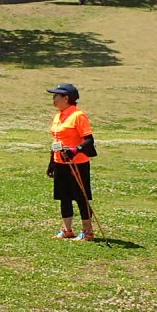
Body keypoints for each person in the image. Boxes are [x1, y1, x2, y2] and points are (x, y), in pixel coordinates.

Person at [47, 83, 97, 242]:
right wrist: (52, 162)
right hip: (60, 162)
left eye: (56, 96)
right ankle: (67, 230)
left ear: (66, 98)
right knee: (64, 197)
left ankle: (87, 232)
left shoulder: (78, 116)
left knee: (81, 197)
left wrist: (75, 150)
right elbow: (56, 141)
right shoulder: (58, 116)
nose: (53, 99)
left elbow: (89, 140)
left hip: (77, 164)